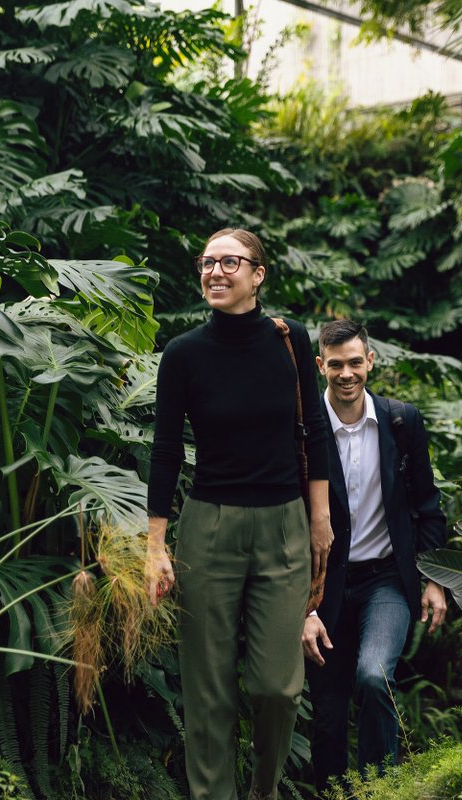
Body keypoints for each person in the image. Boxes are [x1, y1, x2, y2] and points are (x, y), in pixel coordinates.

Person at [145, 228, 333, 800]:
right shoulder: (183, 355)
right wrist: (156, 546)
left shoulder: (290, 341)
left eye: (230, 262)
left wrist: (319, 518)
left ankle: (264, 791)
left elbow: (315, 431)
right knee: (208, 691)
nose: (216, 272)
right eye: (207, 262)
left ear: (258, 275)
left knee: (277, 687)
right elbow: (166, 451)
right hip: (209, 528)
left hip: (284, 527)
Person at [302, 319, 447, 793]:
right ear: (321, 365)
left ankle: (379, 789)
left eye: (356, 362)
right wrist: (303, 603)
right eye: (336, 365)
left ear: (371, 361)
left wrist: (434, 580)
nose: (347, 374)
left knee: (373, 676)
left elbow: (427, 506)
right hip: (323, 586)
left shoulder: (401, 422)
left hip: (386, 579)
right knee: (327, 713)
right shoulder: (304, 429)